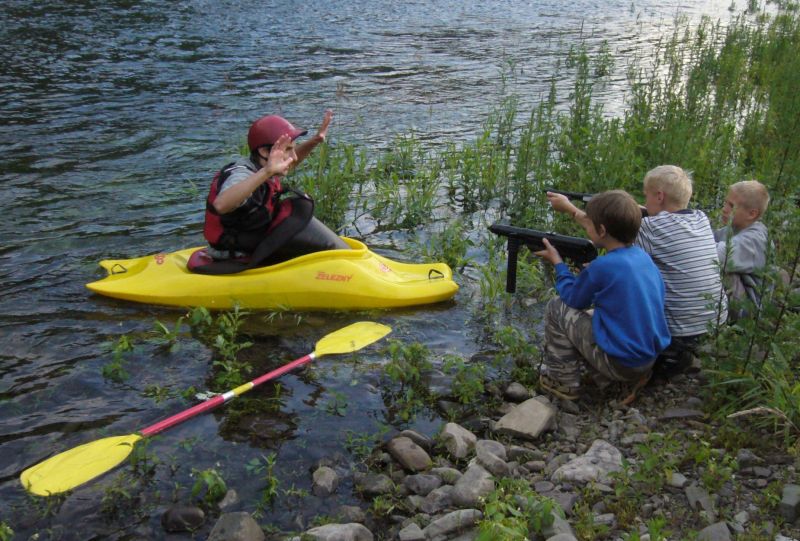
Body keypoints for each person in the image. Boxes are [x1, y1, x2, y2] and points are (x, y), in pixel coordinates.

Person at [548, 165, 727, 381]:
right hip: (713, 324)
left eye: (646, 195)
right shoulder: (701, 218)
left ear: (659, 196)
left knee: (564, 307)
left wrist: (568, 208)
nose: (643, 201)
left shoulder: (650, 229)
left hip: (677, 334)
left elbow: (605, 227)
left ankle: (564, 379)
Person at [534, 190, 671, 402]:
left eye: (588, 224)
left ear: (602, 230)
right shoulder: (642, 257)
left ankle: (564, 381)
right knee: (594, 311)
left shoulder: (602, 266)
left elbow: (572, 298)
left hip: (622, 364)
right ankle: (624, 380)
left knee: (556, 307)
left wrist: (558, 264)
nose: (586, 228)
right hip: (649, 358)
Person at [200, 109, 348, 272]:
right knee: (327, 247)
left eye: (293, 149)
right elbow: (221, 204)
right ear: (264, 152)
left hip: (255, 239)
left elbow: (289, 163)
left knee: (325, 241)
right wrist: (267, 171)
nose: (294, 157)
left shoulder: (263, 166)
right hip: (233, 254)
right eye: (287, 150)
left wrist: (315, 140)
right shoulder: (241, 174)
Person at [714, 180, 770, 317]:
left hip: (749, 309)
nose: (724, 209)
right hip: (740, 297)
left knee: (720, 270)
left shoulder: (755, 240)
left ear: (751, 214)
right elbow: (710, 239)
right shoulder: (733, 228)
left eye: (731, 205)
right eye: (725, 202)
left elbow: (716, 255)